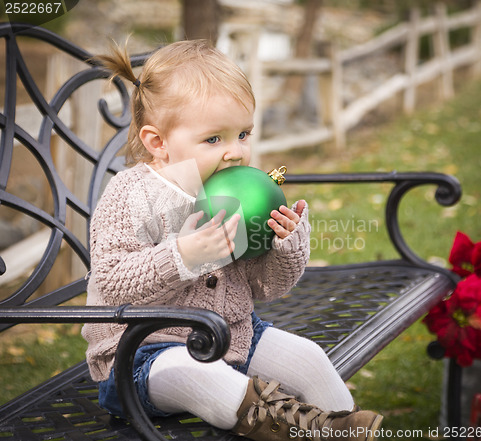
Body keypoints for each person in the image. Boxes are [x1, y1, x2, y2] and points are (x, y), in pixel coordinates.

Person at [82, 38, 383, 441]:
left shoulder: (237, 190)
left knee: (309, 359)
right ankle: (294, 428)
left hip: (233, 334)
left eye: (243, 134)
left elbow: (266, 286)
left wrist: (284, 245)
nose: (236, 152)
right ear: (158, 142)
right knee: (191, 372)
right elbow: (113, 278)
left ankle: (344, 429)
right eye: (214, 139)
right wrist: (183, 255)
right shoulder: (132, 195)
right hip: (140, 355)